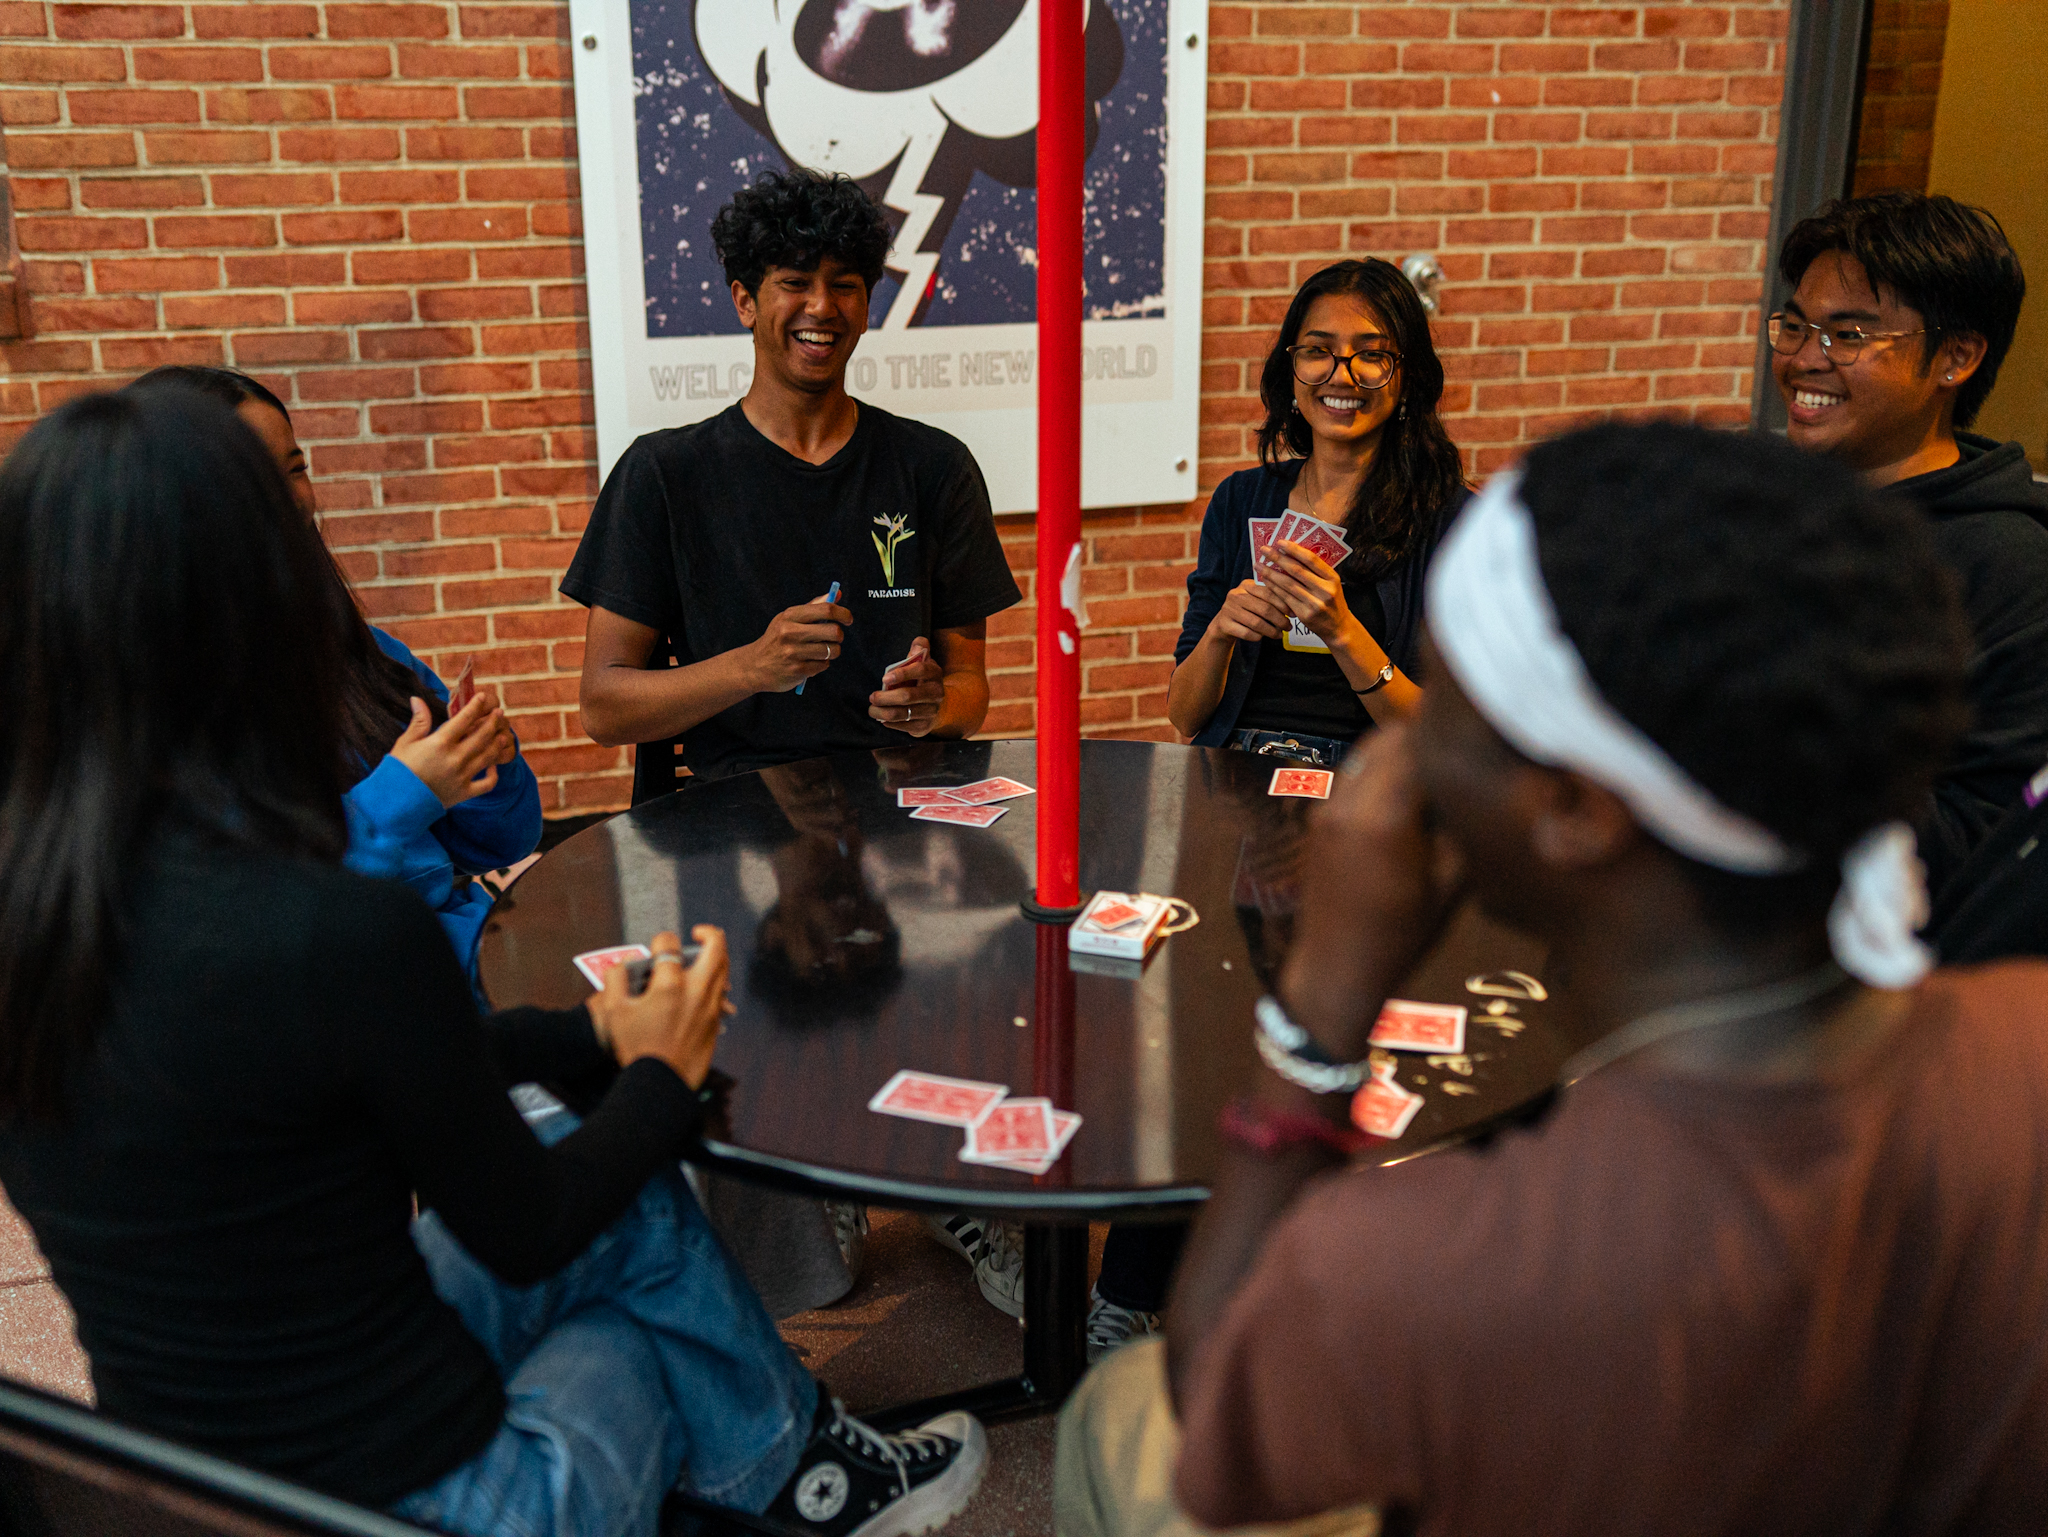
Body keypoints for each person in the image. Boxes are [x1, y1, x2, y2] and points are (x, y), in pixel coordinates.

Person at [0, 387, 987, 1537]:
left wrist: (590, 1032)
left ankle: (804, 1471)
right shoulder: (332, 928)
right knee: (634, 1319)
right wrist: (657, 1074)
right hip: (419, 1504)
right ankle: (794, 1475)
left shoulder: (45, 918)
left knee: (612, 1204)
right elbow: (531, 1223)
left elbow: (396, 1054)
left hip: (198, 1487)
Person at [1054, 422, 2048, 1536]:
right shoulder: (2026, 1035)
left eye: (1451, 703)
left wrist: (1323, 1001)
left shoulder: (1434, 1265)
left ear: (1573, 807)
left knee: (1118, 1408)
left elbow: (1215, 1402)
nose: (1404, 751)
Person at [563, 167, 1022, 792]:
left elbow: (971, 693)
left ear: (866, 308)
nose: (822, 307)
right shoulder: (663, 475)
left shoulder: (936, 468)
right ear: (745, 301)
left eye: (845, 285)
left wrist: (933, 705)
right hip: (730, 815)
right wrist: (753, 667)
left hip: (896, 811)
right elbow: (603, 707)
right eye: (795, 283)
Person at [127, 364, 542, 981]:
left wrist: (486, 767)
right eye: (256, 476)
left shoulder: (367, 655)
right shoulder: (152, 709)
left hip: (466, 964)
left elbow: (504, 844)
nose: (292, 498)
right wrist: (405, 793)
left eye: (295, 469)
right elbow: (251, 911)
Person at [1769, 190, 2048, 897]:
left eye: (1847, 336)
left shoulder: (2011, 568)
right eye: (1795, 326)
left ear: (1956, 356)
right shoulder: (1764, 507)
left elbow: (1987, 842)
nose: (1804, 359)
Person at [1166, 257, 1469, 767]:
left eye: (1371, 355)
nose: (1340, 376)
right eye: (1317, 351)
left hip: (1370, 782)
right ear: (1291, 370)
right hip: (1241, 768)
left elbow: (1444, 735)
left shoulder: (1453, 520)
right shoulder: (1240, 500)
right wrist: (1220, 631)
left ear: (1407, 377)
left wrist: (1342, 630)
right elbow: (1185, 716)